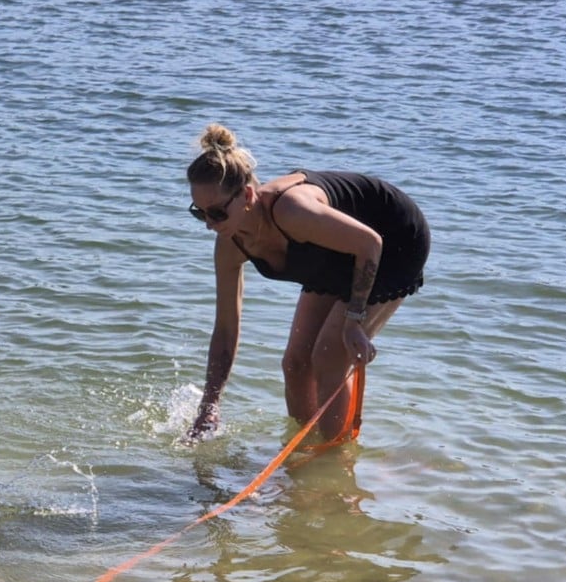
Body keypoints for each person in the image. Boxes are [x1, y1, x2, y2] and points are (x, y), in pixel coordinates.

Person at [184, 123, 430, 443]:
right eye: (199, 213)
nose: (209, 225)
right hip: (336, 253)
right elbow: (226, 329)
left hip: (392, 240)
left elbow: (369, 244)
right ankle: (305, 453)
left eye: (216, 212)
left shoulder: (291, 211)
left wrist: (355, 320)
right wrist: (209, 404)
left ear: (246, 195)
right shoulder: (230, 244)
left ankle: (335, 460)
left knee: (329, 354)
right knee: (296, 363)